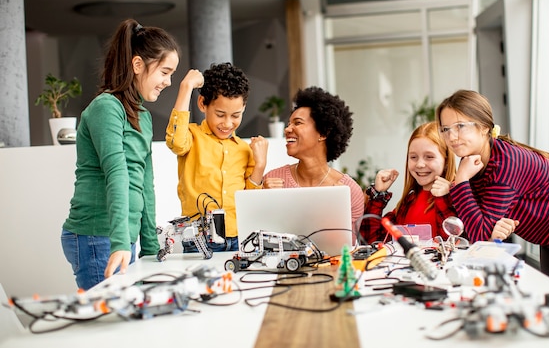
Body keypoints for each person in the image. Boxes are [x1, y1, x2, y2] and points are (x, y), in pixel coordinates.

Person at [436, 89, 549, 292]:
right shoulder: (475, 162)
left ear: (483, 128)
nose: (452, 137)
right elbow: (480, 225)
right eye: (446, 129)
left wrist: (461, 181)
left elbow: (481, 235)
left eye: (460, 127)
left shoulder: (503, 164)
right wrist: (458, 185)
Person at [61, 18, 181, 290]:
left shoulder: (143, 117)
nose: (169, 81)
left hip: (120, 236)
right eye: (164, 71)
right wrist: (119, 241)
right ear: (138, 65)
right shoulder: (106, 108)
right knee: (108, 325)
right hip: (96, 236)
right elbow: (117, 173)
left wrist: (150, 244)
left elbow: (144, 183)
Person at [165, 62, 268, 252]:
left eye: (236, 115)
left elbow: (250, 202)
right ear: (202, 103)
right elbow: (176, 142)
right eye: (220, 114)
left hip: (239, 238)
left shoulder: (244, 150)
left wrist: (260, 165)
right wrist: (186, 87)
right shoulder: (191, 137)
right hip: (199, 239)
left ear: (244, 108)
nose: (227, 123)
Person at [263, 86, 364, 239]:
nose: (287, 129)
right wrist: (265, 199)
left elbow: (347, 250)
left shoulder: (349, 191)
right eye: (289, 123)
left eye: (297, 123)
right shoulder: (273, 180)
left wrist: (335, 209)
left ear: (323, 132)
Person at [358, 121, 457, 245]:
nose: (420, 164)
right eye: (413, 157)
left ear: (446, 160)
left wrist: (443, 198)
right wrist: (378, 194)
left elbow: (455, 243)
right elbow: (371, 242)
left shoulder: (458, 197)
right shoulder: (407, 202)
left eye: (429, 157)